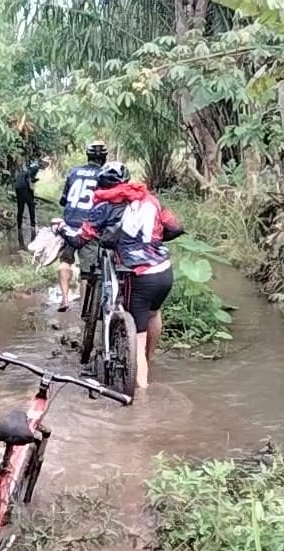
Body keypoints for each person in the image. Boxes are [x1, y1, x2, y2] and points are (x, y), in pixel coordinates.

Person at [64, 161, 183, 389]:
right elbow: (175, 228)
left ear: (102, 185)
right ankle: (147, 360)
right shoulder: (151, 200)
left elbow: (80, 240)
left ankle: (142, 394)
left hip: (138, 275)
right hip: (164, 271)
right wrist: (152, 242)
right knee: (154, 312)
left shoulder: (105, 207)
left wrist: (61, 229)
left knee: (136, 335)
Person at [55, 140, 108, 312]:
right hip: (89, 227)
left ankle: (64, 299)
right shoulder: (104, 174)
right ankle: (86, 313)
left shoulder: (74, 172)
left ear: (88, 155)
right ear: (104, 157)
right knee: (88, 272)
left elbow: (64, 200)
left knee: (65, 261)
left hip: (69, 223)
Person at [11, 159, 40, 247]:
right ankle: (33, 225)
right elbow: (29, 179)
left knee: (20, 207)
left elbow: (26, 178)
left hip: (18, 188)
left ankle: (19, 225)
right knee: (31, 206)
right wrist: (31, 189)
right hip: (25, 187)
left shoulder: (25, 169)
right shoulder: (35, 168)